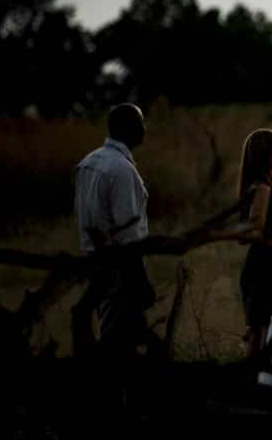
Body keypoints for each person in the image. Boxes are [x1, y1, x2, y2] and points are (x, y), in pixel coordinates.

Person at [73, 103, 154, 358]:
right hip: (120, 266)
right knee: (118, 341)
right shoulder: (121, 169)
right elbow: (127, 234)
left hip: (95, 261)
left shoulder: (88, 162)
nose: (145, 128)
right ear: (130, 128)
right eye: (141, 123)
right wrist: (139, 279)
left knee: (109, 327)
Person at [237, 128, 272, 358]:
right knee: (259, 340)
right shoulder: (262, 189)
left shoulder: (261, 187)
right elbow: (250, 233)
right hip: (262, 271)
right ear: (264, 153)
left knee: (261, 337)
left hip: (265, 269)